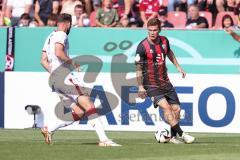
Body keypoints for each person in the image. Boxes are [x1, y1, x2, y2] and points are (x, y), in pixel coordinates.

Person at [40, 13, 121, 147]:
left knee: (79, 111)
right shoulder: (62, 35)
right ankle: (104, 140)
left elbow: (43, 61)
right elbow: (58, 52)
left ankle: (49, 129)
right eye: (70, 24)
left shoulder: (50, 36)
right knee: (88, 103)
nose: (70, 27)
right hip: (64, 77)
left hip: (54, 80)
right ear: (67, 24)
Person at [135, 18, 195, 144]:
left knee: (177, 109)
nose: (152, 33)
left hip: (165, 81)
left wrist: (178, 67)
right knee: (166, 107)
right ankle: (182, 134)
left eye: (155, 30)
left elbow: (169, 52)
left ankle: (172, 137)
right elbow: (139, 68)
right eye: (150, 30)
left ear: (159, 30)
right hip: (150, 83)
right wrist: (140, 87)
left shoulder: (164, 41)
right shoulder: (142, 47)